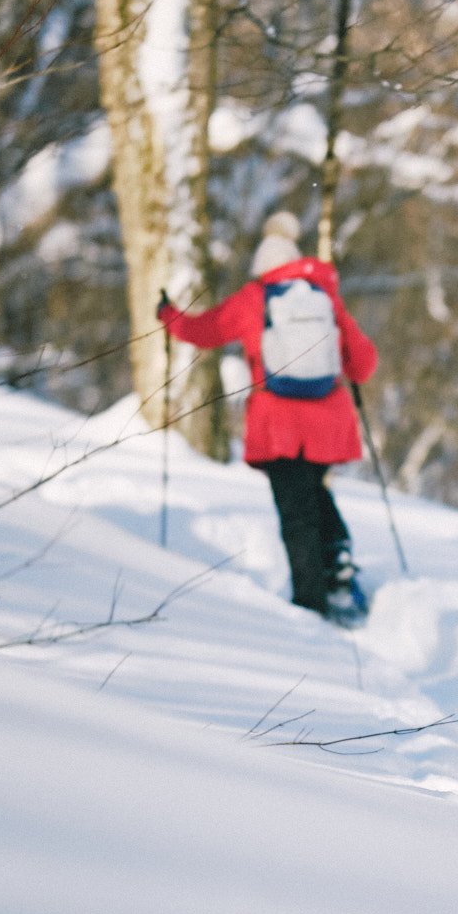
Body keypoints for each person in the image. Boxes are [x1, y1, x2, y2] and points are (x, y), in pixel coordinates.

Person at [158, 211, 379, 624]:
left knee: (295, 512)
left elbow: (204, 331)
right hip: (326, 420)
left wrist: (169, 317)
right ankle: (337, 558)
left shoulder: (255, 297)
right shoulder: (324, 298)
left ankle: (312, 607)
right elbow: (363, 364)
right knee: (312, 490)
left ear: (262, 267)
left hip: (279, 424)